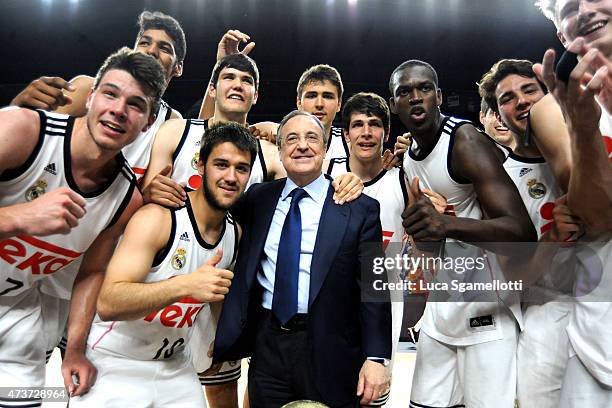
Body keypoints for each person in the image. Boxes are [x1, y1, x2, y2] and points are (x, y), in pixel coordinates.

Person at [0, 47, 166, 403]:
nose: (119, 110)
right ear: (90, 97)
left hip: (16, 314)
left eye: (136, 105)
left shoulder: (126, 198)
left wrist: (74, 349)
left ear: (149, 122)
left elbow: (91, 273)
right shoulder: (22, 130)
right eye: (110, 93)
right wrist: (19, 217)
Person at [68, 122, 256, 407]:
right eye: (221, 164)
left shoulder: (234, 233)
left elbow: (214, 298)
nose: (231, 176)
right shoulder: (159, 218)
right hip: (115, 363)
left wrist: (215, 348)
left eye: (241, 168)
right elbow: (108, 302)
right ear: (201, 166)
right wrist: (185, 285)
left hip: (175, 366)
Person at [213, 110, 392, 407]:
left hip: (331, 347)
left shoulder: (361, 209)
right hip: (268, 344)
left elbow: (374, 288)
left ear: (324, 149)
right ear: (280, 151)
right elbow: (211, 208)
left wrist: (375, 357)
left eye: (311, 138)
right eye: (292, 139)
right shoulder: (258, 199)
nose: (302, 146)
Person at [389, 59, 536, 408]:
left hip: (488, 310)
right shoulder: (408, 158)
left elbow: (522, 234)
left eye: (424, 88)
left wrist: (446, 224)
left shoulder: (465, 140)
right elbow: (433, 244)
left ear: (439, 95)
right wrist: (423, 235)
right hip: (442, 312)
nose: (416, 98)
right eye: (404, 92)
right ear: (394, 104)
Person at [530, 1, 612, 406]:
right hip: (598, 336)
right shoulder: (551, 108)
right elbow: (598, 215)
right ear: (562, 36)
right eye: (568, 6)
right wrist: (584, 126)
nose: (585, 8)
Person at [479, 58, 569, 408]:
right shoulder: (497, 179)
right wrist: (552, 240)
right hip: (543, 313)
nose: (521, 101)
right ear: (498, 116)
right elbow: (511, 277)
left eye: (529, 89)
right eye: (507, 98)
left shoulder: (587, 150)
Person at [10, 10, 185, 179]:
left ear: (178, 68)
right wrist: (18, 111)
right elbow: (30, 147)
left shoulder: (172, 121)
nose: (151, 51)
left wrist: (149, 196)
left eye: (164, 48)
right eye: (144, 43)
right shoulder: (86, 88)